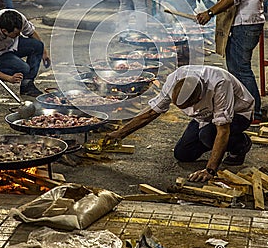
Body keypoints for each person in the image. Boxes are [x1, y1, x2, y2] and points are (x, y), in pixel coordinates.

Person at [104, 65, 254, 182]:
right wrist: (119, 134)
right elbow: (152, 112)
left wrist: (210, 170)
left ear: (200, 97)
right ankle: (211, 143)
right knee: (183, 154)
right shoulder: (174, 79)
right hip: (205, 118)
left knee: (208, 135)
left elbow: (223, 130)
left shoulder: (220, 83)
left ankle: (241, 145)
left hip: (238, 114)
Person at [196, 0, 266, 123]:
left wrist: (210, 12)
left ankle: (253, 113)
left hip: (245, 22)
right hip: (250, 20)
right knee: (237, 67)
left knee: (240, 69)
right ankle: (247, 109)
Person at [0, 9, 51, 97]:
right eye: (16, 33)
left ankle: (27, 85)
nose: (19, 34)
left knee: (38, 45)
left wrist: (44, 52)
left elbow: (31, 32)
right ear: (4, 31)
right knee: (24, 68)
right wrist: (9, 78)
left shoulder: (17, 17)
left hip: (12, 45)